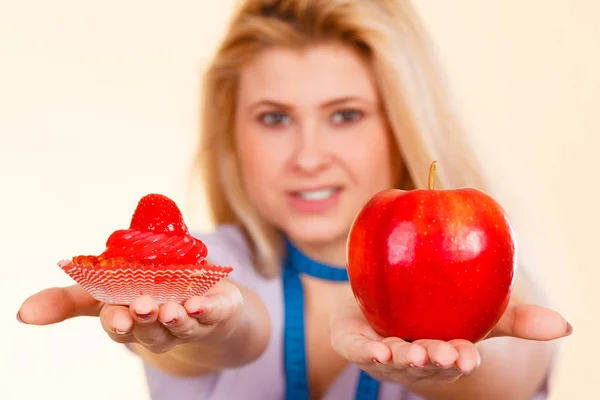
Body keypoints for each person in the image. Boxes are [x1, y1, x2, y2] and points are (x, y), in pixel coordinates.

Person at [18, 0, 572, 399]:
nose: (308, 156)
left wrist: (457, 370)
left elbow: (512, 365)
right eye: (275, 118)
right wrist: (212, 326)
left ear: (402, 122)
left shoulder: (486, 256)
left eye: (345, 114)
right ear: (232, 131)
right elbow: (234, 328)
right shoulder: (200, 267)